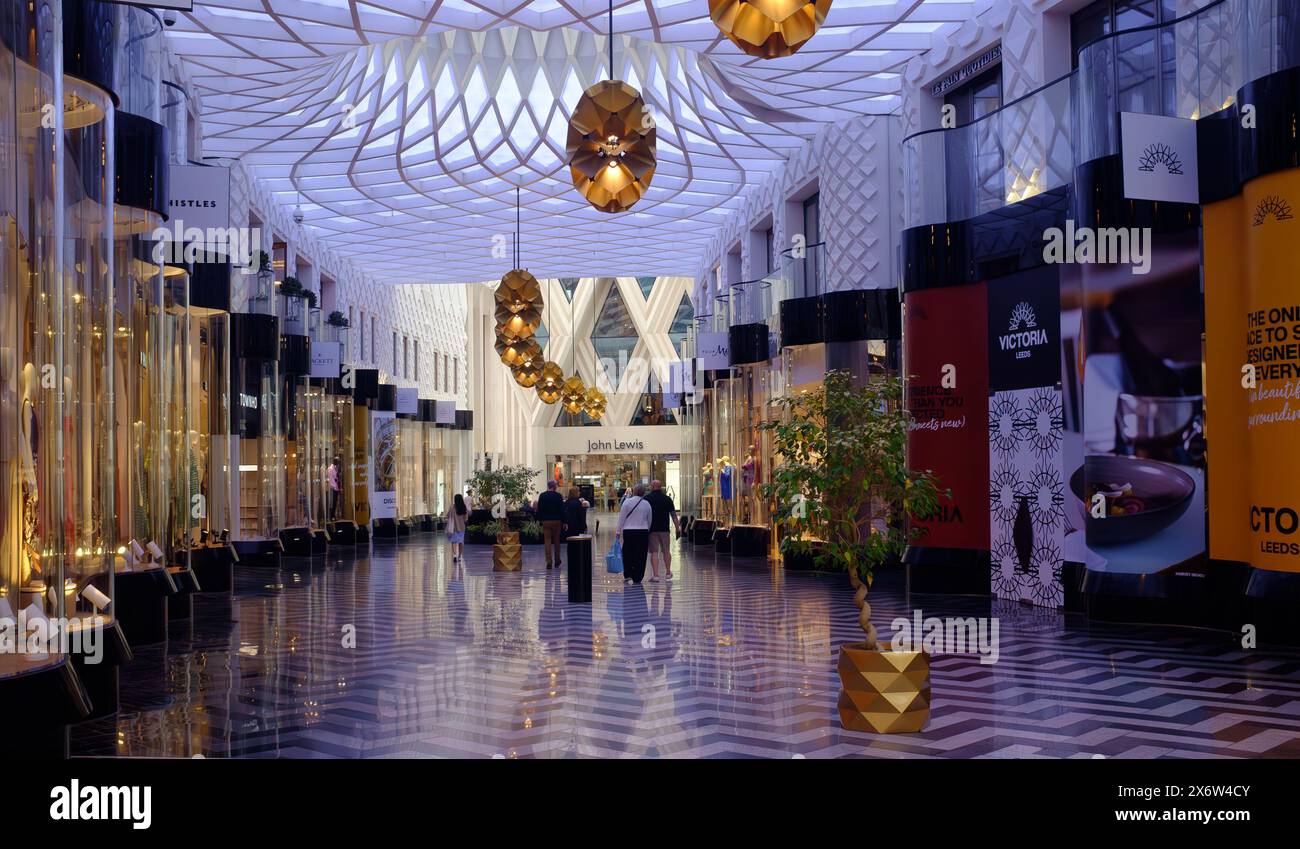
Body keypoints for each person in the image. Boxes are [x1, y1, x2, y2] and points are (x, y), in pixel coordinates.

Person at [615, 482, 652, 585]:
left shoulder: (627, 502)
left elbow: (621, 518)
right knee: (641, 554)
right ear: (644, 492)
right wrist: (646, 529)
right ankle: (638, 576)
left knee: (627, 552)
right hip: (642, 532)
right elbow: (649, 520)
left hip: (629, 531)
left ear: (634, 491)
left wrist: (618, 532)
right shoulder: (647, 504)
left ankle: (627, 574)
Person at [645, 479, 681, 582]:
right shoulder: (667, 499)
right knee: (666, 550)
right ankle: (668, 572)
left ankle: (656, 575)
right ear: (661, 487)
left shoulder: (647, 498)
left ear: (652, 487)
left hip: (652, 529)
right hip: (665, 529)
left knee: (654, 552)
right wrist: (677, 528)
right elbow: (674, 515)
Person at [535, 479, 566, 569]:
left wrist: (539, 520)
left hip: (546, 521)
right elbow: (562, 510)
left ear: (548, 486)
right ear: (554, 487)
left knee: (547, 541)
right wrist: (564, 521)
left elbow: (539, 509)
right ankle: (557, 560)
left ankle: (549, 561)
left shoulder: (542, 495)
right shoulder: (558, 496)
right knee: (557, 541)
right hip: (557, 521)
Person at [444, 493, 468, 562]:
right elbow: (466, 519)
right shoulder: (464, 507)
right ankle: (460, 556)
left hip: (454, 528)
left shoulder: (452, 507)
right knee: (461, 542)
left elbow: (447, 516)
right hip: (461, 528)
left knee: (454, 542)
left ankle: (454, 554)